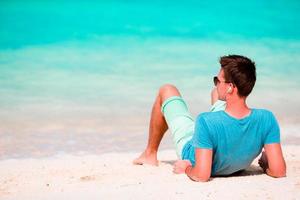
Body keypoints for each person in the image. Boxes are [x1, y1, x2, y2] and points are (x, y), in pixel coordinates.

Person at [133, 55, 286, 182]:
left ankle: (149, 154)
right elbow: (279, 171)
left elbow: (201, 175)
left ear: (231, 87)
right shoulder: (266, 118)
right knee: (215, 93)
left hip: (191, 146)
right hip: (223, 136)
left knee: (167, 90)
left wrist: (185, 167)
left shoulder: (206, 121)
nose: (216, 83)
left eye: (217, 80)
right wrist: (266, 164)